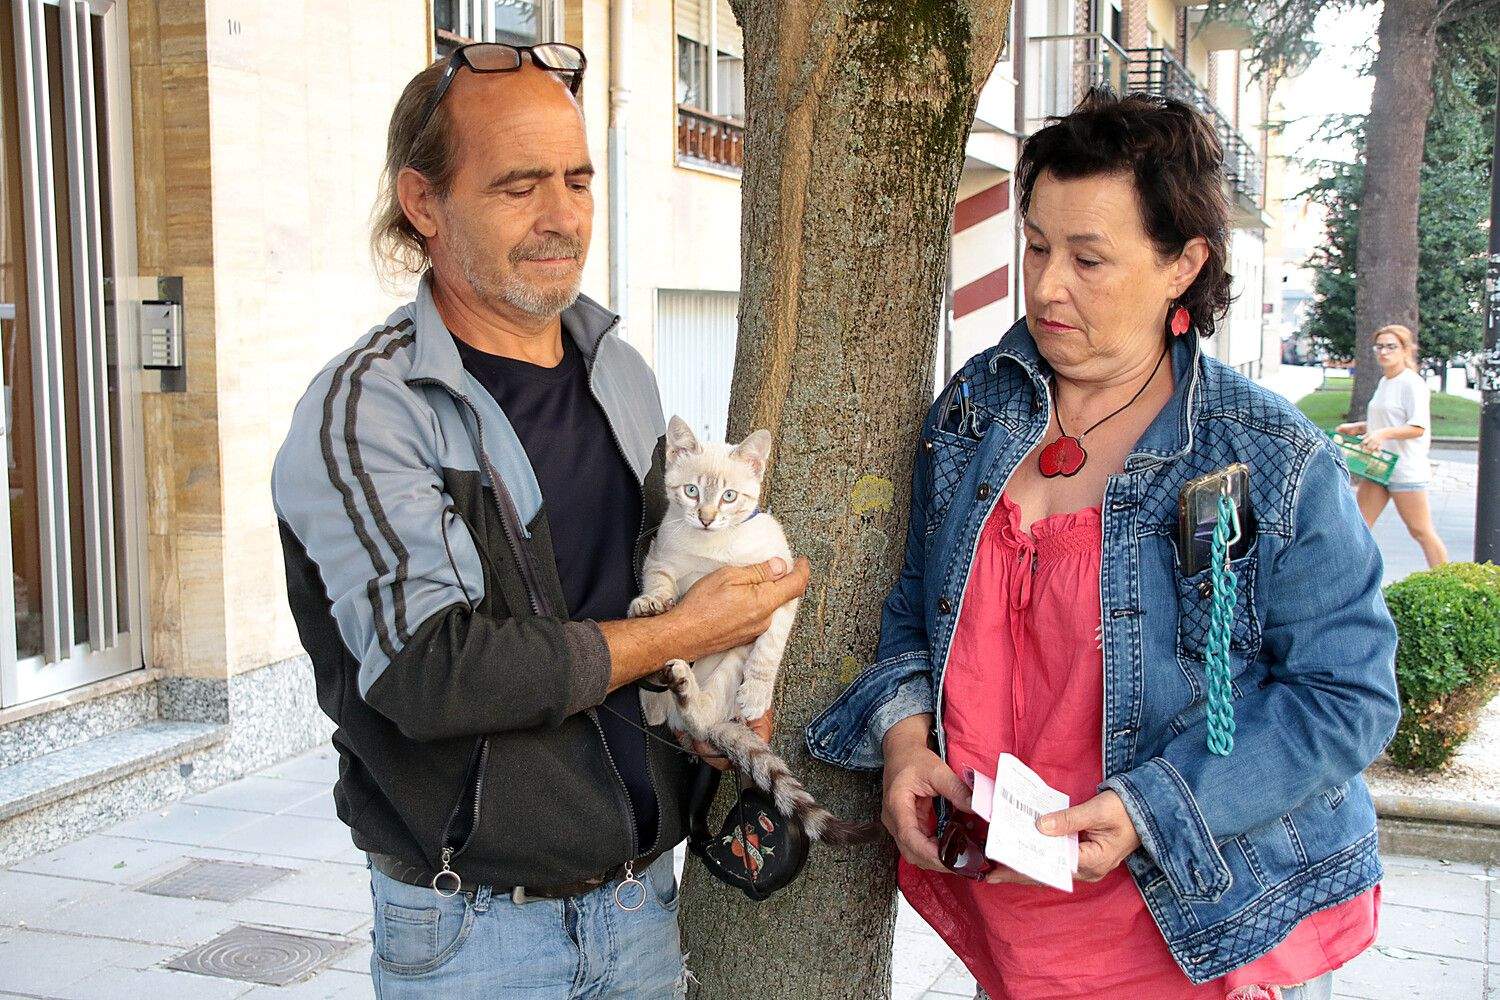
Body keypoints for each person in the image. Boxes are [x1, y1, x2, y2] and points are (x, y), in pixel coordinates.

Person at [806, 90, 1399, 1000]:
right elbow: (914, 607)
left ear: (1182, 265)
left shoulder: (1266, 458)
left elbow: (1347, 695)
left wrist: (1148, 808)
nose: (1045, 286)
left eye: (1088, 258)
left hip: (1191, 920)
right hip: (1016, 912)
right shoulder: (979, 406)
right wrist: (902, 738)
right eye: (1037, 245)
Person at [272, 45, 807, 999]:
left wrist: (710, 695)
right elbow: (428, 673)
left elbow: (637, 587)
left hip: (644, 902)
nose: (563, 216)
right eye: (520, 186)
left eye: (577, 179)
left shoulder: (621, 373)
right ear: (424, 203)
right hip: (474, 933)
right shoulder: (372, 409)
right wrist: (685, 632)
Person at [1337, 323, 1448, 567]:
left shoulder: (1412, 383)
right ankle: (1353, 587)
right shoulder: (1386, 381)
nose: (1384, 352)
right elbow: (1390, 419)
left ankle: (1447, 579)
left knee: (1421, 531)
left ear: (1406, 349)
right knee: (1357, 526)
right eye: (1379, 347)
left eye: (1391, 346)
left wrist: (1382, 434)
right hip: (1378, 467)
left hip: (1404, 469)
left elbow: (1417, 427)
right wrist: (1360, 427)